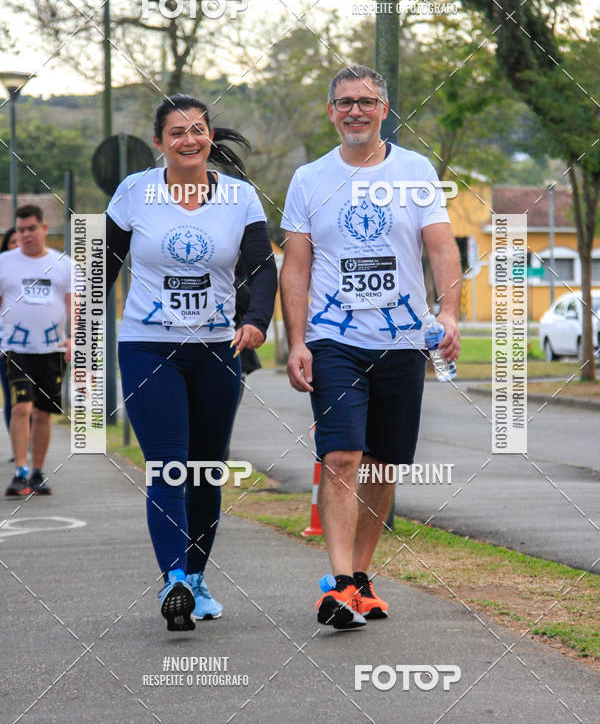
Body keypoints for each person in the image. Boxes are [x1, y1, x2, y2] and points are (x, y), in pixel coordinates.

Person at [280, 64, 461, 629]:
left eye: (365, 100)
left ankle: (360, 577)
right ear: (331, 112)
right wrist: (297, 341)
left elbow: (441, 248)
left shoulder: (415, 171)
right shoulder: (309, 178)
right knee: (340, 455)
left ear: (384, 109)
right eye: (343, 102)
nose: (354, 110)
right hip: (335, 339)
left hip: (403, 340)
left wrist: (449, 312)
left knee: (383, 463)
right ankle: (335, 587)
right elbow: (297, 266)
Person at [106, 93, 277, 632]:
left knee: (206, 470)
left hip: (217, 350)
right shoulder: (135, 192)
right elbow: (102, 266)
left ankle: (196, 579)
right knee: (169, 465)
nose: (188, 139)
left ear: (209, 137)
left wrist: (257, 321)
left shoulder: (240, 197)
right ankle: (173, 579)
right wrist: (80, 340)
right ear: (159, 142)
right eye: (176, 132)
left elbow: (262, 268)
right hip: (147, 346)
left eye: (198, 130)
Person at [0, 206, 72, 497]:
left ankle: (38, 472)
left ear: (43, 229)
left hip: (52, 348)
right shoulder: (5, 262)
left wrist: (74, 338)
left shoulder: (64, 264)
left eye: (31, 228)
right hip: (15, 348)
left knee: (43, 413)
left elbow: (73, 304)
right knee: (21, 406)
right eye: (21, 230)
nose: (26, 234)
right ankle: (20, 472)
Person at [0, 227, 19, 444]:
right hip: (6, 342)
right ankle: (18, 446)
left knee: (34, 399)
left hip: (38, 345)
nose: (17, 245)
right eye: (12, 242)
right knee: (12, 396)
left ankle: (30, 440)